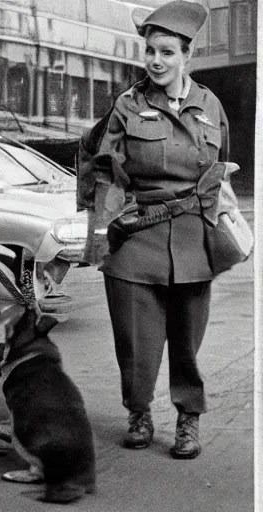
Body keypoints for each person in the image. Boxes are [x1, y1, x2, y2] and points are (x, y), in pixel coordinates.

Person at [77, 0, 229, 459]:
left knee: (188, 341)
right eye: (150, 51)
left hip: (193, 239)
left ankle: (188, 421)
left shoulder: (210, 104)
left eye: (167, 52)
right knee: (135, 341)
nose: (156, 61)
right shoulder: (128, 105)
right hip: (137, 236)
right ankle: (138, 412)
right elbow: (104, 171)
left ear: (188, 56)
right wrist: (99, 241)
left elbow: (222, 168)